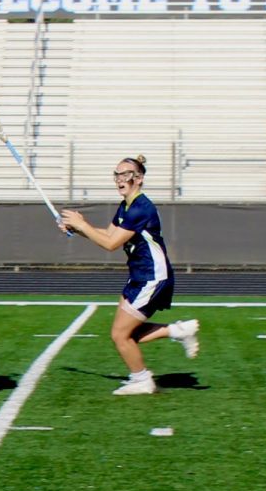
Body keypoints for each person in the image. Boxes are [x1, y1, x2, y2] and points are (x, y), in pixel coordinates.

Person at [59, 155, 200, 396]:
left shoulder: (141, 208)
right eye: (117, 174)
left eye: (125, 174)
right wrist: (78, 229)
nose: (119, 179)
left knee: (119, 335)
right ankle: (177, 331)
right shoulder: (126, 206)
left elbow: (110, 244)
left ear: (139, 178)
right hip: (139, 276)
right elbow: (108, 233)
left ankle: (142, 379)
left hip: (152, 277)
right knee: (127, 333)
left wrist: (82, 225)